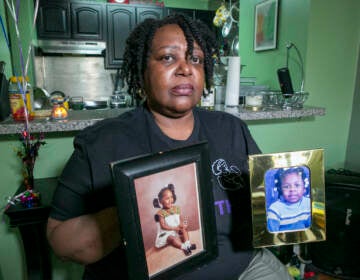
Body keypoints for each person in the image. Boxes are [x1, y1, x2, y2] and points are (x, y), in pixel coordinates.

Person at [46, 14, 292, 279]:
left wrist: (289, 202)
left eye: (195, 59)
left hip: (243, 267)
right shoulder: (102, 143)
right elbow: (61, 243)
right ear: (142, 72)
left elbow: (267, 197)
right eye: (167, 57)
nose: (186, 68)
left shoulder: (231, 128)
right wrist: (133, 209)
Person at [153, 183, 195, 256]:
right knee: (171, 239)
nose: (170, 200)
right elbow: (163, 226)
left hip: (176, 230)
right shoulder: (160, 213)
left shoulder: (176, 208)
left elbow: (180, 219)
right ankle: (184, 247)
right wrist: (174, 228)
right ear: (160, 201)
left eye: (171, 197)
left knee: (184, 230)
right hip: (166, 234)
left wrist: (183, 225)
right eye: (167, 199)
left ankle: (188, 244)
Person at [267, 167, 311, 232]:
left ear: (304, 188)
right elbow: (272, 235)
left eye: (297, 185)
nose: (292, 190)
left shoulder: (308, 203)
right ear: (280, 189)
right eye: (286, 186)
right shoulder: (275, 209)